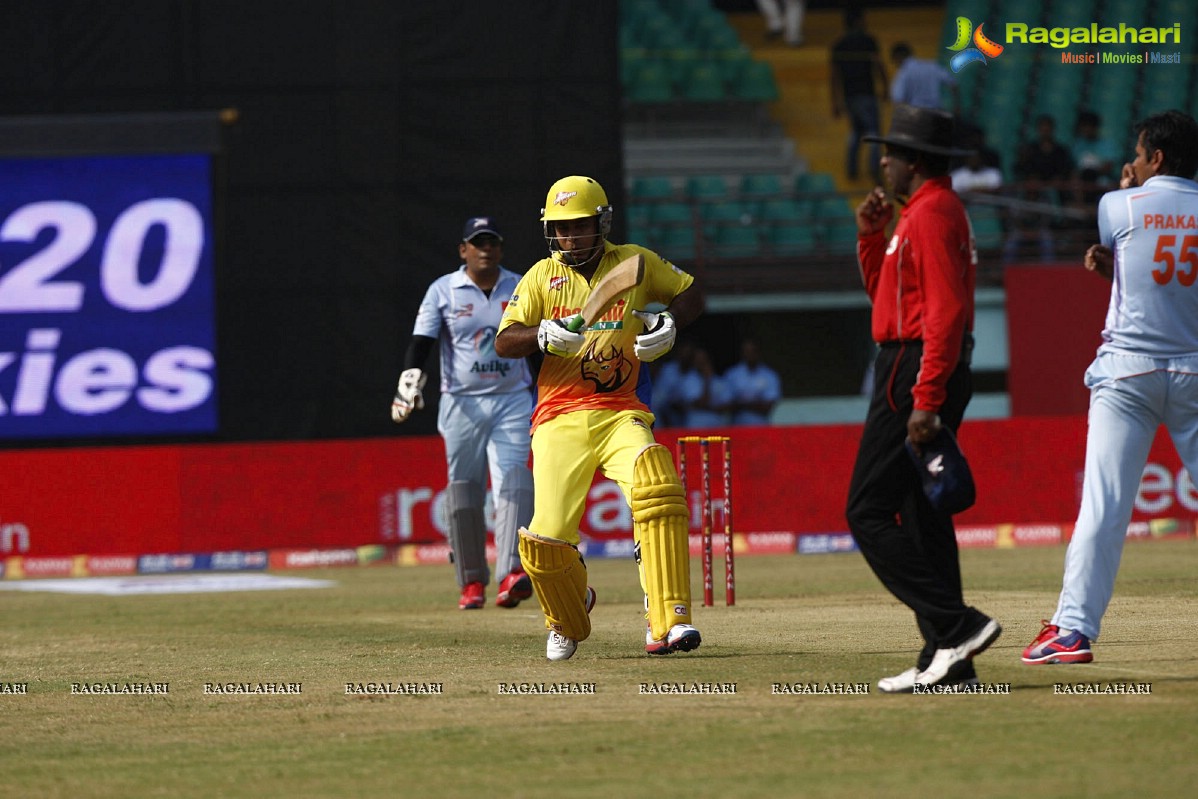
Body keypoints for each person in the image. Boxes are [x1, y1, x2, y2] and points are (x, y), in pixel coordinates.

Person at [496, 176, 705, 661]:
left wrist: (669, 322)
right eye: (561, 228)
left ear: (600, 222)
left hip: (621, 413)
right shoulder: (539, 278)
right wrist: (542, 335)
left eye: (579, 226)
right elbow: (505, 341)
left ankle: (668, 622)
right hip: (558, 418)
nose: (569, 237)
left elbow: (691, 294)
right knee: (546, 539)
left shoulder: (635, 261)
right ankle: (568, 614)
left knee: (657, 484)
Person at [1022, 110, 1198, 666]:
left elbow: (1126, 243)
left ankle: (1072, 633)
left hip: (1128, 373)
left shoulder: (1117, 203)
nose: (1135, 160)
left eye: (1140, 153)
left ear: (1156, 158)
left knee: (1104, 506)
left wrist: (1127, 191)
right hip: (1195, 370)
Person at [849, 104, 1001, 692]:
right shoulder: (923, 213)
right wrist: (870, 239)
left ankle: (956, 626)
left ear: (913, 160)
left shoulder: (933, 214)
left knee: (865, 510)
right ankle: (951, 657)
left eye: (890, 151)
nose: (882, 160)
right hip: (914, 358)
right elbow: (888, 303)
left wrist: (926, 396)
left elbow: (944, 314)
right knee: (921, 514)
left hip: (912, 367)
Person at [391, 217, 535, 611]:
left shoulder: (520, 285)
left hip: (513, 399)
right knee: (465, 489)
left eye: (492, 242)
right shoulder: (443, 290)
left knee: (514, 481)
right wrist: (410, 381)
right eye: (478, 242)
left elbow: (538, 341)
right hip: (462, 402)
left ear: (501, 249)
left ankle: (512, 572)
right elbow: (422, 341)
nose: (485, 249)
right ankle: (471, 581)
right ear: (463, 250)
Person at [830, 5, 888, 182]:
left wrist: (835, 101)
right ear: (858, 21)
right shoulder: (868, 41)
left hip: (849, 97)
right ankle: (874, 169)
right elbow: (878, 65)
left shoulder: (838, 45)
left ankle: (852, 169)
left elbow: (834, 76)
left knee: (856, 132)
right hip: (867, 94)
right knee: (873, 132)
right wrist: (886, 86)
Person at [1006, 114, 1075, 261]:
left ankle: (1061, 227)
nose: (1045, 131)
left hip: (1053, 193)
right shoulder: (1030, 150)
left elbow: (1066, 172)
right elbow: (1021, 170)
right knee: (1012, 241)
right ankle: (1006, 271)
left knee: (1047, 237)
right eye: (1042, 128)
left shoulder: (1060, 151)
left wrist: (1053, 183)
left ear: (1052, 130)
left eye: (1048, 128)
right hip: (1033, 195)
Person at [723, 338, 781, 425]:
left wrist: (742, 403)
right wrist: (756, 402)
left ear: (758, 352)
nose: (749, 354)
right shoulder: (732, 374)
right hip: (737, 427)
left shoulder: (770, 375)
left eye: (752, 351)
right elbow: (727, 405)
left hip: (761, 427)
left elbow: (767, 407)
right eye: (746, 351)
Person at [889, 42, 957, 112]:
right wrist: (956, 108)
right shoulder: (932, 66)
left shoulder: (903, 73)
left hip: (916, 113)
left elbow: (897, 99)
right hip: (936, 112)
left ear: (898, 57)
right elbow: (953, 84)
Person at [677, 346, 731, 428]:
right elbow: (701, 403)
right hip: (696, 426)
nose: (701, 362)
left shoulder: (720, 381)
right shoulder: (688, 380)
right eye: (698, 359)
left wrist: (709, 407)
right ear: (693, 361)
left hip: (717, 426)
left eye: (703, 359)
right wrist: (707, 381)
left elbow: (729, 406)